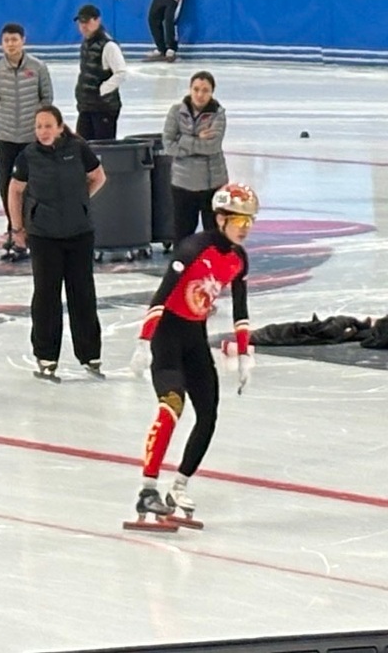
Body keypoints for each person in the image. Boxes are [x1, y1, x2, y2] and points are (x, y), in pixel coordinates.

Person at [129, 183, 257, 529]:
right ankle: (147, 489)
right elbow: (161, 295)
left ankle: (179, 487)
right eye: (239, 220)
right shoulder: (193, 248)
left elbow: (241, 311)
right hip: (167, 336)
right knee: (172, 405)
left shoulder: (238, 259)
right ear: (221, 219)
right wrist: (144, 340)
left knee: (208, 414)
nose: (245, 228)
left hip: (195, 339)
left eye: (250, 221)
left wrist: (244, 353)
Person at [8, 105, 107, 378]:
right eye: (39, 126)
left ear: (60, 127)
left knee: (82, 294)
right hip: (43, 236)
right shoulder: (28, 156)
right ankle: (46, 356)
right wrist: (17, 227)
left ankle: (90, 355)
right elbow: (15, 190)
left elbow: (98, 176)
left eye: (48, 126)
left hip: (79, 233)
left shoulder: (78, 149)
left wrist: (81, 202)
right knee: (46, 296)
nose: (43, 131)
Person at [0, 22, 54, 261]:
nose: (10, 44)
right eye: (6, 41)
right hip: (6, 139)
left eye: (14, 40)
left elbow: (47, 102)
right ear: (1, 44)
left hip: (32, 140)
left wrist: (46, 135)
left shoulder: (38, 68)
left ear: (23, 41)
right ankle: (15, 231)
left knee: (34, 188)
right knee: (6, 187)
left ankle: (33, 231)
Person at [160, 70, 228, 237]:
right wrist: (197, 138)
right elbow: (169, 146)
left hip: (213, 184)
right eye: (196, 89)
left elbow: (211, 146)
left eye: (205, 90)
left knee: (215, 236)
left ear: (212, 92)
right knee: (182, 235)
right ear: (190, 89)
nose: (200, 94)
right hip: (183, 184)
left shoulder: (218, 115)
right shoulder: (176, 112)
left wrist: (183, 140)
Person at [72, 4, 128, 141]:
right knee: (83, 146)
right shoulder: (86, 43)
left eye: (87, 21)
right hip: (86, 106)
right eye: (81, 22)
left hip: (104, 108)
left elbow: (121, 72)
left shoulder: (109, 45)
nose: (83, 26)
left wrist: (103, 90)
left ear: (97, 20)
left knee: (103, 148)